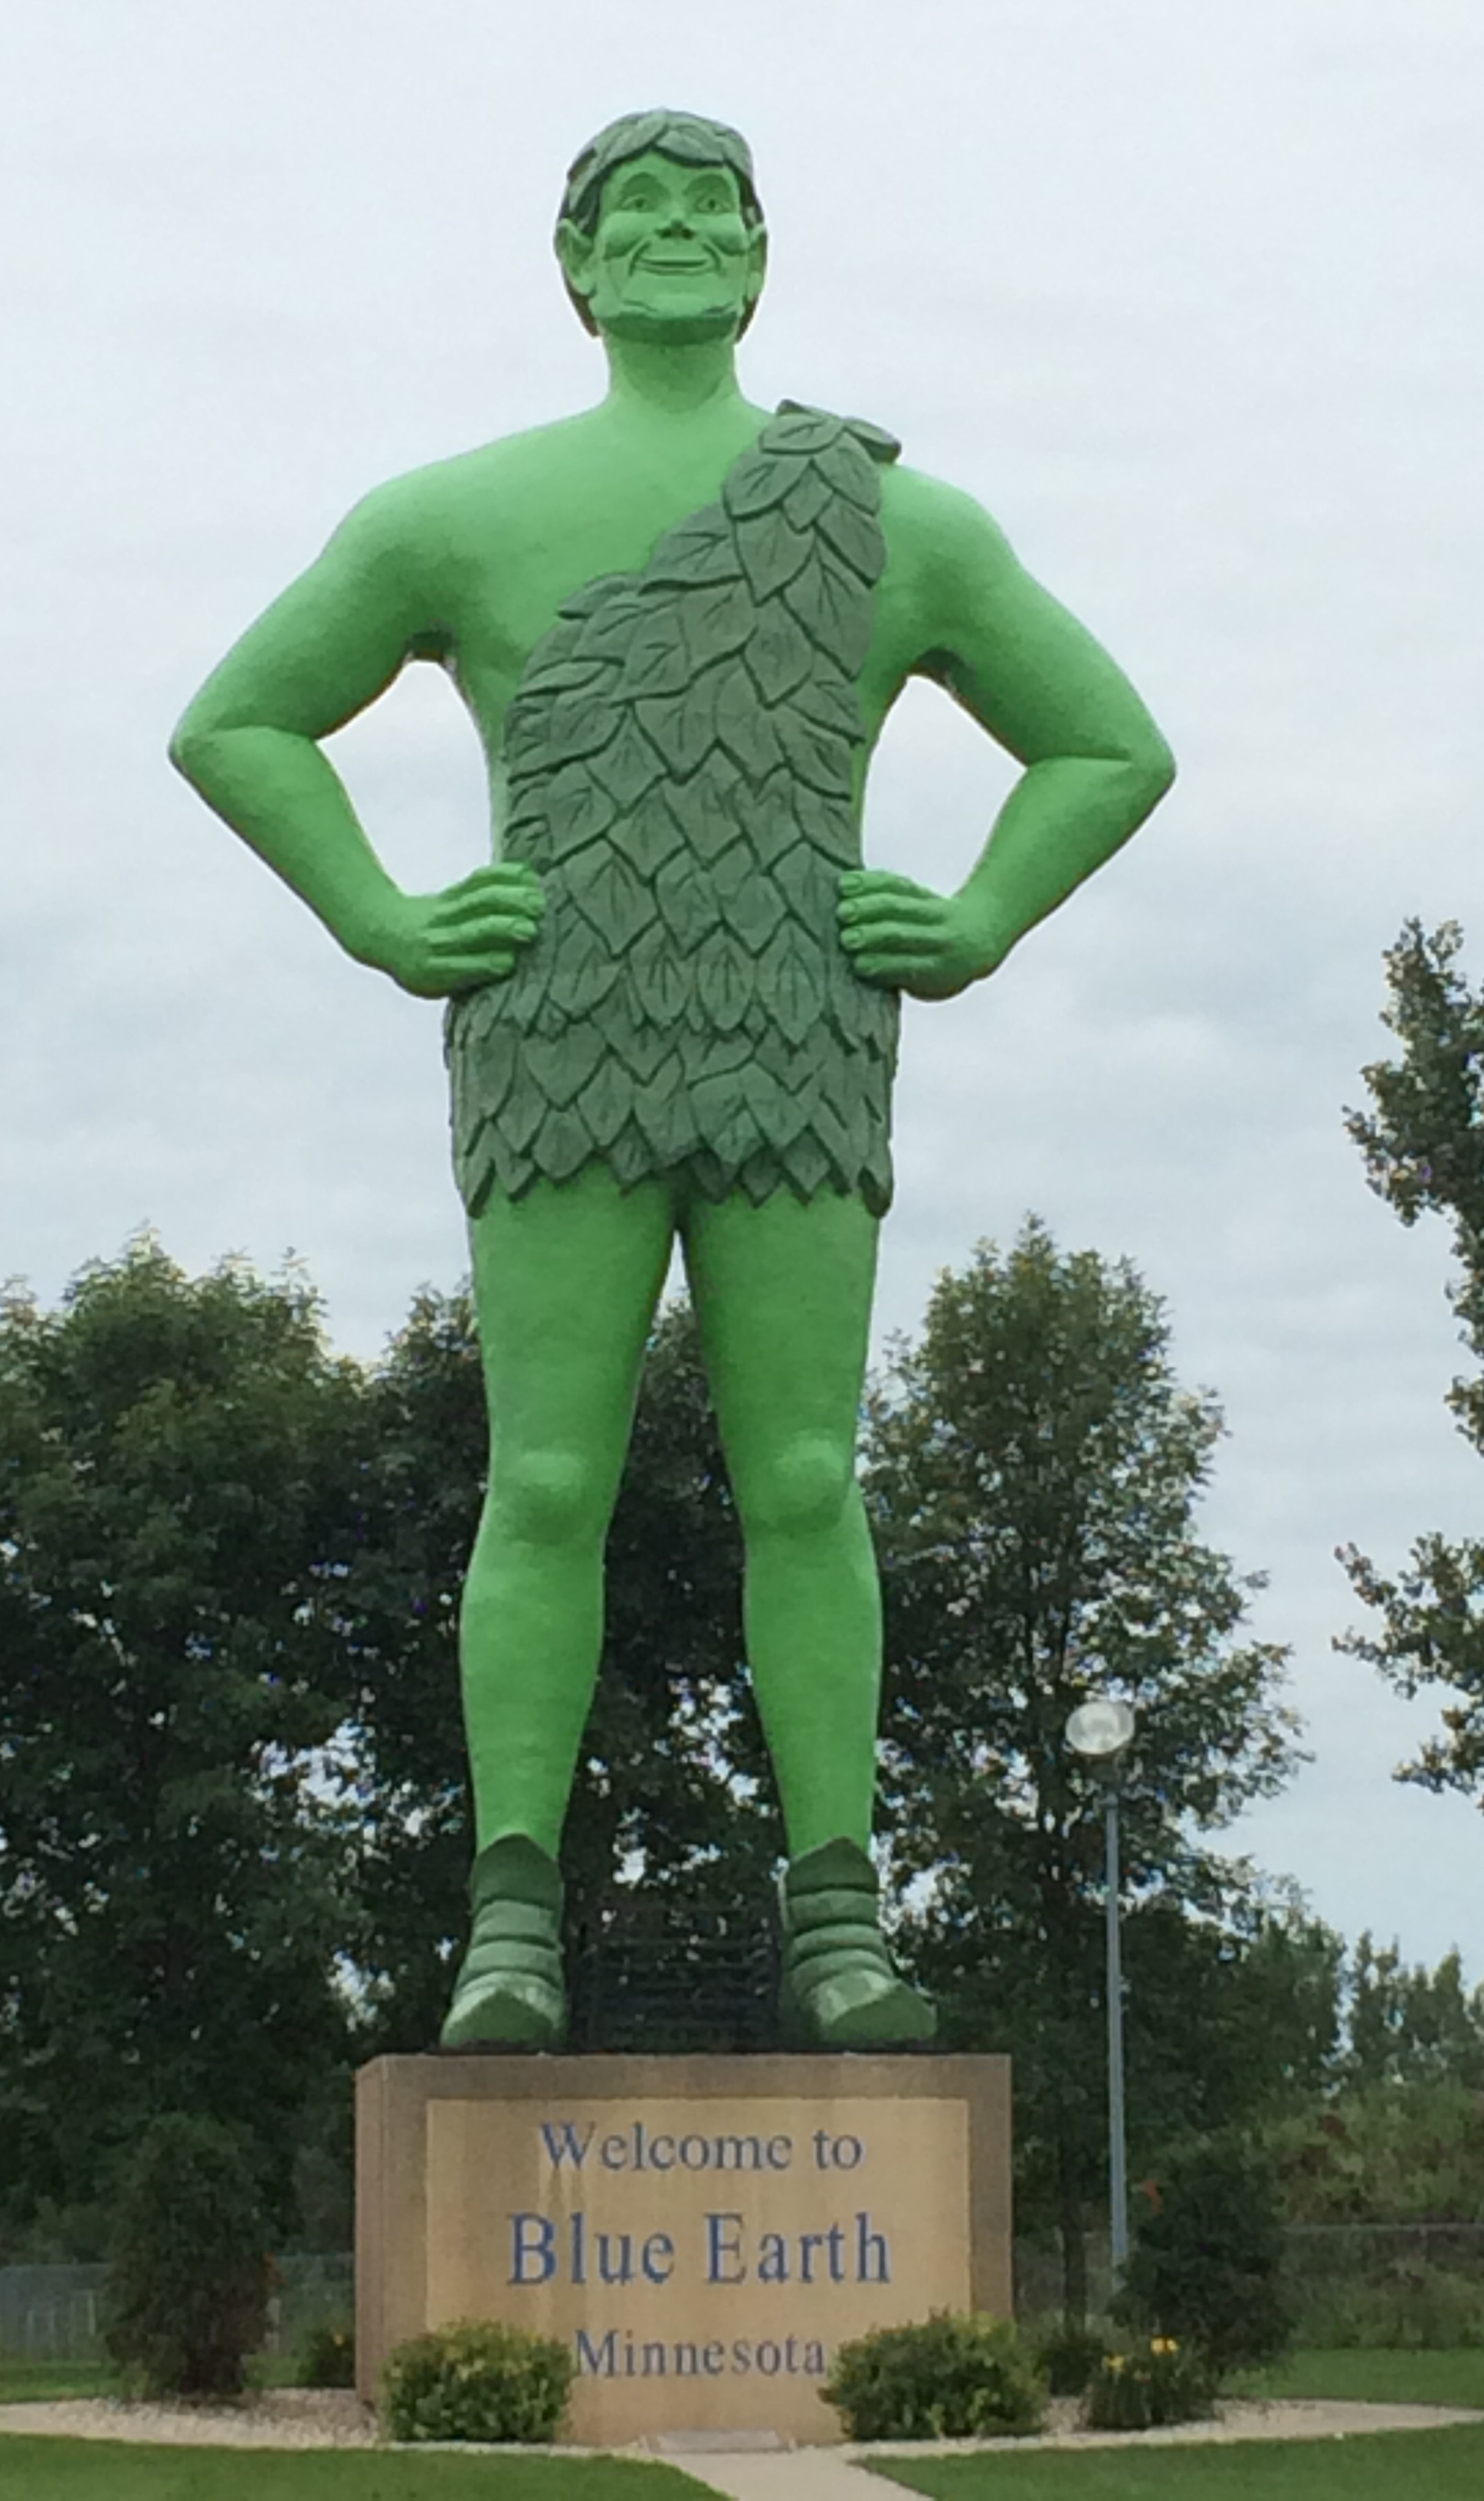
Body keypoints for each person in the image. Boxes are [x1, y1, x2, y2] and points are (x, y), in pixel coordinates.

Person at [171, 108, 1174, 2051]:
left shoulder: (897, 520)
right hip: (560, 1039)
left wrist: (978, 915)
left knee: (806, 1475)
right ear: (576, 261)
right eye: (637, 206)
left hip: (799, 1035)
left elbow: (1108, 745)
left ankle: (839, 1918)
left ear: (762, 255)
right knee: (547, 1476)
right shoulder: (452, 514)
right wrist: (383, 914)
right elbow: (239, 721)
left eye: (715, 206)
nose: (678, 230)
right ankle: (509, 1922)